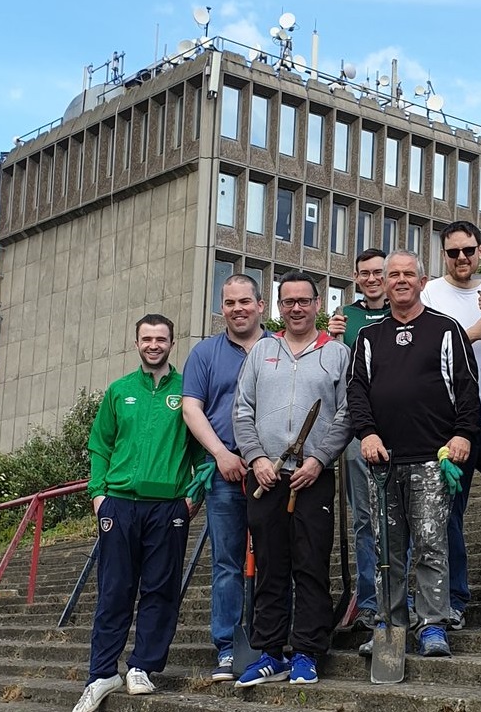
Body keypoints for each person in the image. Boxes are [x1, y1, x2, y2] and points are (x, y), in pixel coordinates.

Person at [347, 250, 480, 658]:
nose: (401, 280)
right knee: (386, 550)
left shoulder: (446, 329)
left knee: (430, 544)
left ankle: (432, 625)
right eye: (394, 275)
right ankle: (389, 624)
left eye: (409, 274)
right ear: (384, 284)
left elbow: (467, 387)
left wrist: (463, 434)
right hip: (383, 461)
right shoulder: (368, 338)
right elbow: (356, 392)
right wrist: (367, 433)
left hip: (432, 457)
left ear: (422, 282)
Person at [72, 314, 202, 712]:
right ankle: (101, 674)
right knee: (114, 590)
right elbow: (100, 445)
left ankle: (142, 666)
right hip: (119, 504)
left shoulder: (187, 391)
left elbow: (203, 449)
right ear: (136, 343)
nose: (154, 345)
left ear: (172, 342)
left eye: (161, 339)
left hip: (168, 505)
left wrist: (193, 496)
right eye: (147, 339)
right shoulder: (119, 390)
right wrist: (98, 495)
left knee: (161, 590)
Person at [232, 271, 351, 687]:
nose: (296, 308)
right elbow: (242, 410)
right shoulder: (262, 351)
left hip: (313, 478)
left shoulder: (336, 353)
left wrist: (319, 459)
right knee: (270, 566)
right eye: (289, 302)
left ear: (318, 304)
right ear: (278, 306)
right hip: (266, 478)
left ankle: (307, 653)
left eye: (304, 301)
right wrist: (255, 458)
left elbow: (347, 413)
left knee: (312, 565)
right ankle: (270, 652)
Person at [420, 221, 481, 630]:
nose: (462, 258)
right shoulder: (430, 295)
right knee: (449, 515)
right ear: (444, 255)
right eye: (454, 252)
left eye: (469, 250)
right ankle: (454, 599)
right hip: (453, 424)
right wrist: (472, 332)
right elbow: (425, 350)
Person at [182, 274, 271, 681]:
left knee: (275, 558)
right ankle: (227, 645)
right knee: (227, 564)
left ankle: (271, 639)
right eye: (230, 302)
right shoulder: (204, 353)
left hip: (273, 471)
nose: (238, 309)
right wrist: (220, 454)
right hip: (224, 471)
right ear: (222, 308)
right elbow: (191, 409)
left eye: (245, 301)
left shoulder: (279, 347)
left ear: (260, 305)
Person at [327, 248, 391, 631]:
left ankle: (400, 598)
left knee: (400, 517)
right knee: (364, 519)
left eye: (378, 272)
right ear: (356, 277)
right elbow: (335, 372)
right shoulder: (345, 318)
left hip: (400, 427)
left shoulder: (403, 310)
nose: (372, 279)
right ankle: (368, 601)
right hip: (357, 429)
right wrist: (331, 339)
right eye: (364, 273)